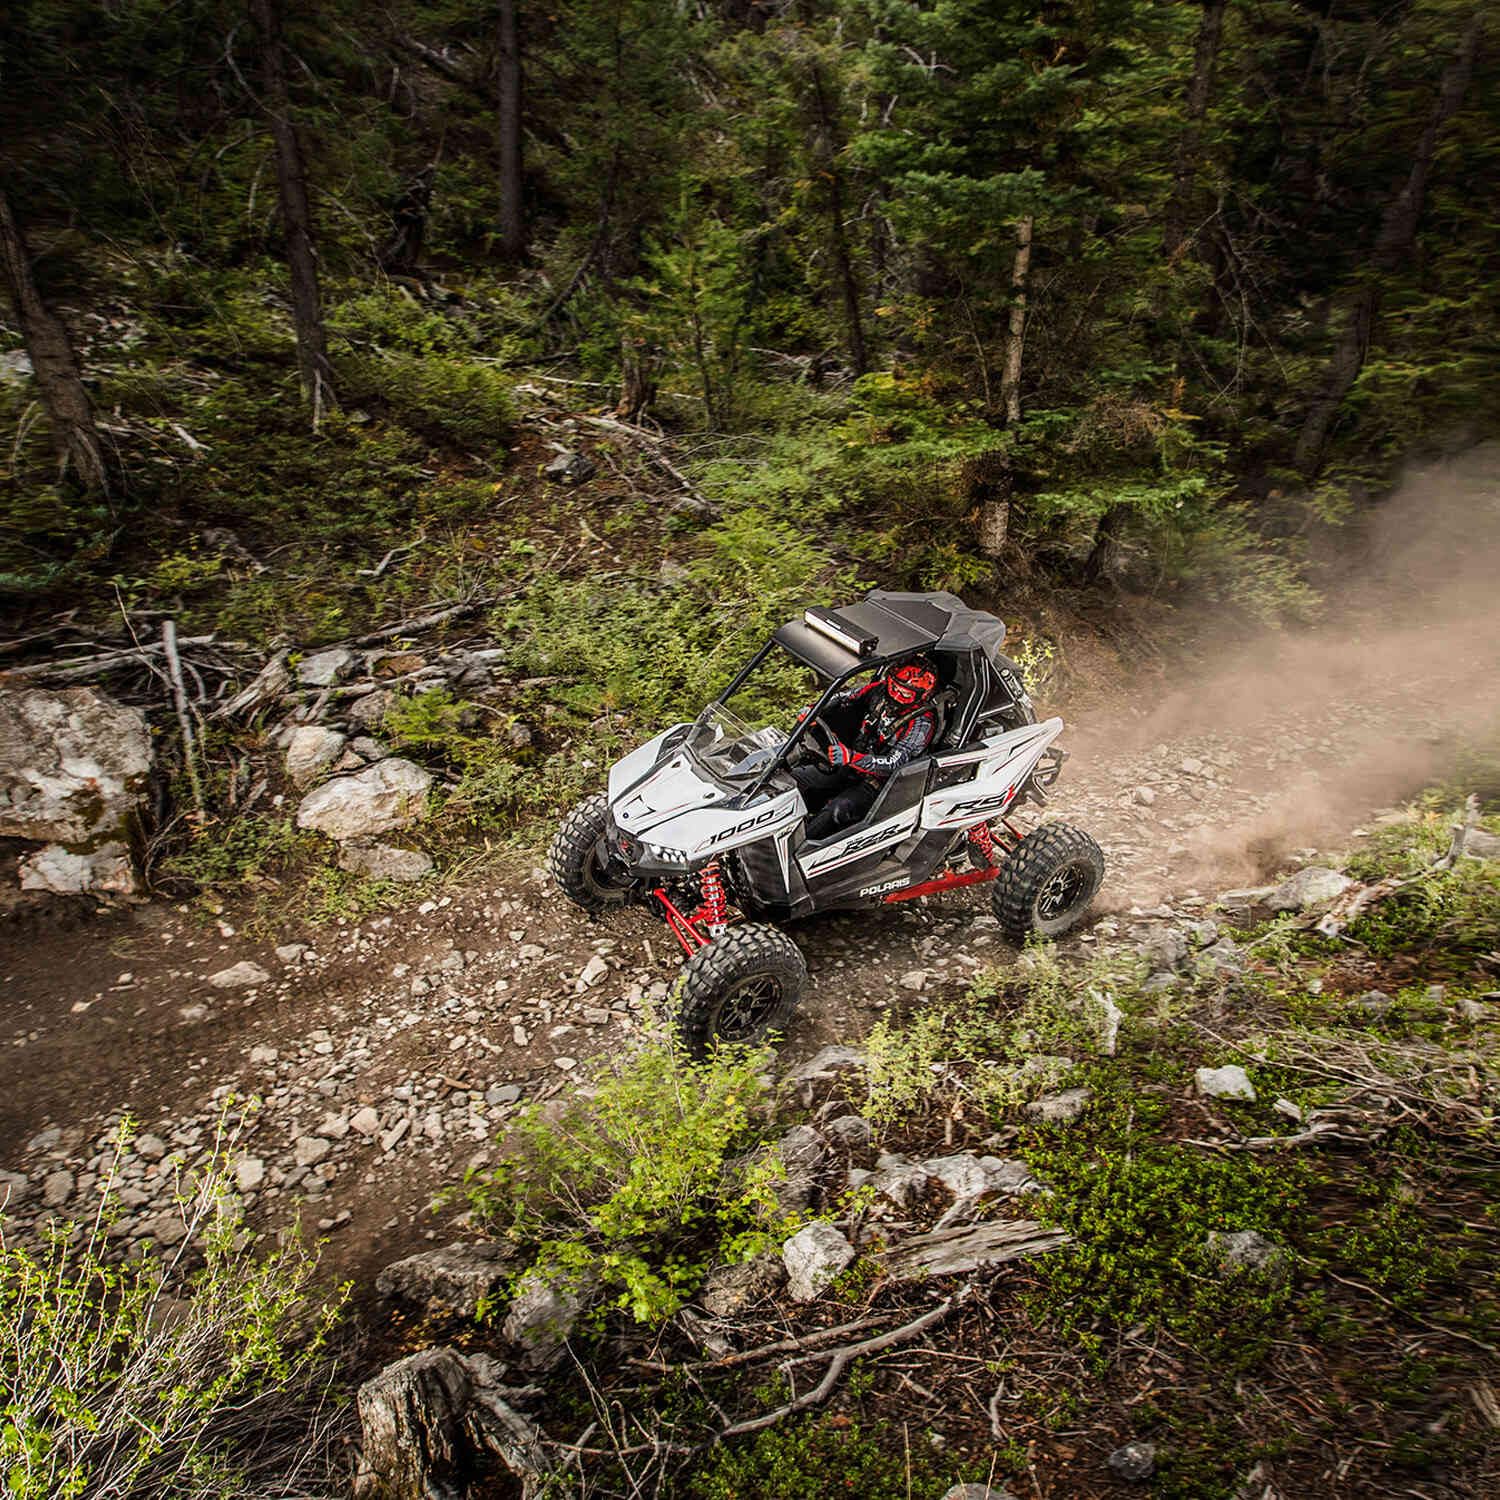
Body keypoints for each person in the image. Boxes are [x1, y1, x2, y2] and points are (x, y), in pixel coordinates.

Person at [791, 657, 940, 840]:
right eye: (894, 688)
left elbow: (896, 763)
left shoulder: (921, 722)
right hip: (849, 766)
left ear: (921, 696)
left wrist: (852, 758)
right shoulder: (878, 690)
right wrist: (814, 710)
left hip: (879, 785)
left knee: (838, 809)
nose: (896, 696)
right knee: (796, 779)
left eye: (906, 694)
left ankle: (799, 849)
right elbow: (843, 697)